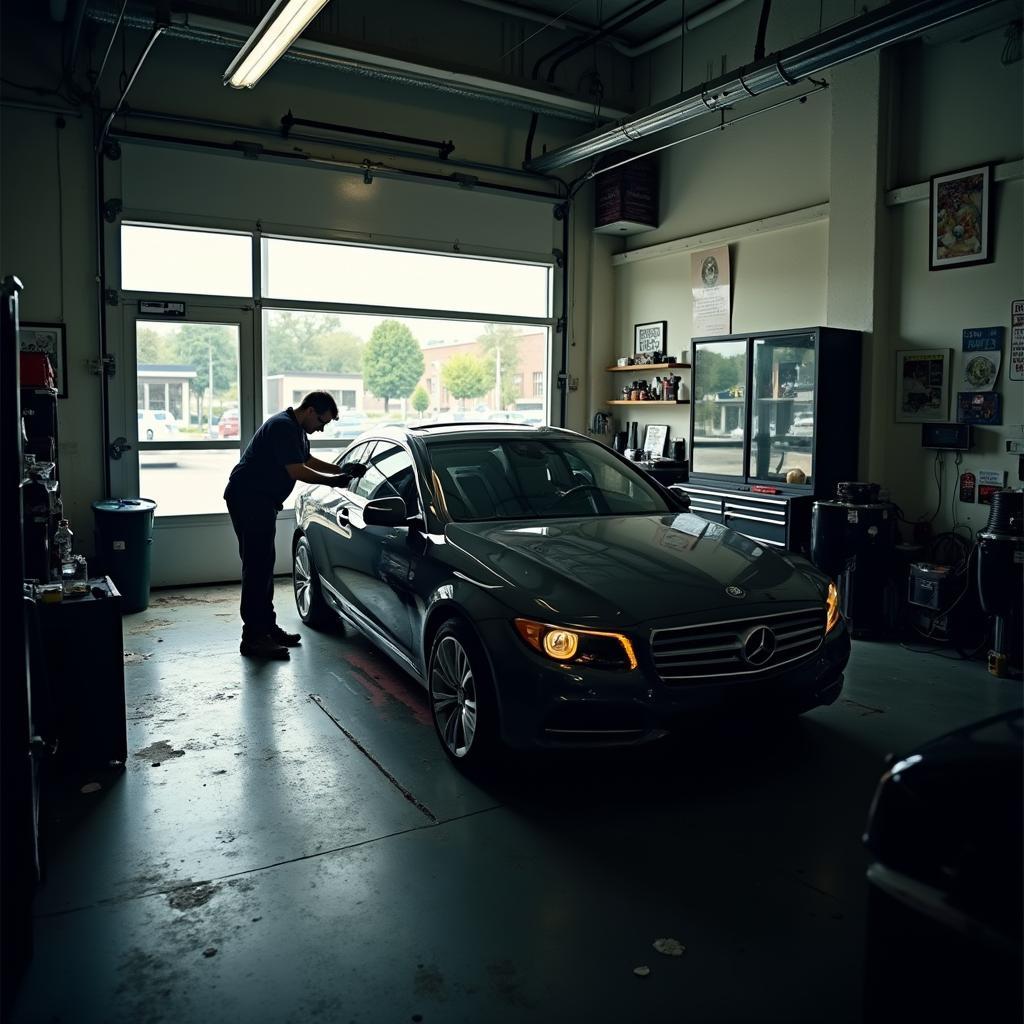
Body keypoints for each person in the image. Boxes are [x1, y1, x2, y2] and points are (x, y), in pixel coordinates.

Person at [223, 391, 365, 659]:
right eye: (321, 422)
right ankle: (253, 638)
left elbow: (307, 460)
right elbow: (297, 471)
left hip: (261, 501)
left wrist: (341, 469)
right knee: (256, 567)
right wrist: (334, 482)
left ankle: (267, 628)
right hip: (249, 499)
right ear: (310, 410)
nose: (321, 428)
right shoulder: (283, 427)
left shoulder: (297, 430)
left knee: (264, 565)